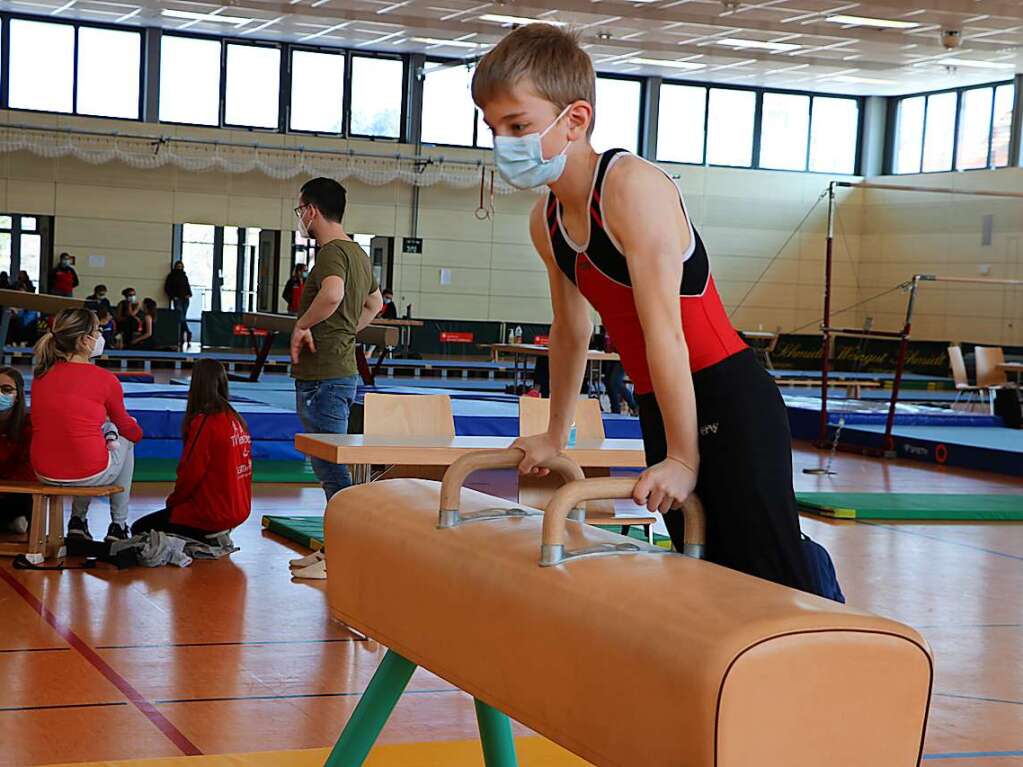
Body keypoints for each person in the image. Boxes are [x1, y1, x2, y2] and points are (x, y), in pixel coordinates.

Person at [473, 25, 812, 592]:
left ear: (575, 120)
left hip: (727, 394)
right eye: (494, 128)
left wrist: (683, 456)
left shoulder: (632, 187)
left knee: (766, 575)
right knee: (704, 571)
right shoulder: (547, 221)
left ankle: (823, 634)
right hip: (662, 403)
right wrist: (555, 435)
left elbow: (667, 333)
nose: (504, 142)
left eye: (518, 126)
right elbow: (571, 330)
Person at [289, 178, 382, 580]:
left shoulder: (331, 253)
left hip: (325, 376)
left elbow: (332, 295)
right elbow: (375, 304)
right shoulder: (358, 253)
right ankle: (335, 545)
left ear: (311, 210)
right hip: (336, 371)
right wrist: (347, 332)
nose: (300, 219)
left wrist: (303, 326)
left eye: (300, 211)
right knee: (328, 467)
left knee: (331, 470)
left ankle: (344, 550)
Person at [30, 308, 143, 541]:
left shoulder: (41, 376)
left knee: (95, 437)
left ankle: (78, 521)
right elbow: (129, 430)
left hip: (43, 471)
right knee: (123, 436)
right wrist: (134, 429)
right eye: (97, 331)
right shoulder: (105, 379)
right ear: (84, 340)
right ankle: (118, 525)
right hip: (89, 472)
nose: (100, 336)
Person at [132, 359, 251, 541]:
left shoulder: (206, 421)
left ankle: (207, 535)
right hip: (240, 510)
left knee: (139, 528)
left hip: (213, 513)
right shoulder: (235, 419)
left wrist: (173, 504)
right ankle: (211, 532)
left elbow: (191, 471)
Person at [0, 367, 33, 534]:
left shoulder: (28, 424)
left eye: (6, 390)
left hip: (17, 492)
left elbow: (28, 469)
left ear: (18, 395)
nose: (1, 394)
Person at [164, 261, 193, 346]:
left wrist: (189, 294)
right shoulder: (171, 276)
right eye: (178, 266)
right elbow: (167, 288)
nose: (179, 268)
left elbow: (187, 286)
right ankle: (187, 332)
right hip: (177, 299)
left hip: (185, 299)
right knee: (181, 316)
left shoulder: (184, 276)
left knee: (181, 318)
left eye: (181, 266)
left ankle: (181, 337)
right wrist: (173, 296)